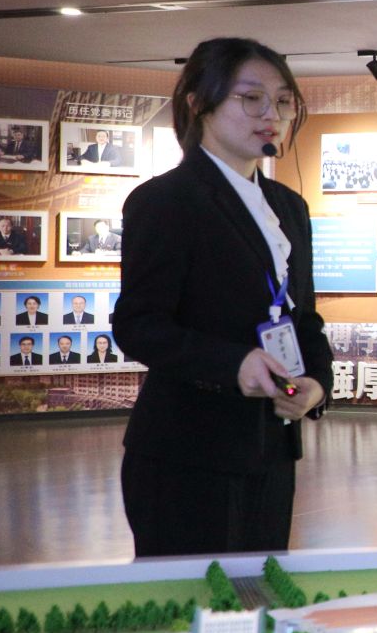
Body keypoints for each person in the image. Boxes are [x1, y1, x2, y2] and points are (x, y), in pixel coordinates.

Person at [113, 37, 332, 557]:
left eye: (282, 101)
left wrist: (317, 385)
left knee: (259, 593)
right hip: (187, 453)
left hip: (271, 448)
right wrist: (234, 364)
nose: (271, 114)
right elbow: (139, 325)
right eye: (251, 98)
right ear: (198, 103)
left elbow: (304, 319)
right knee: (193, 600)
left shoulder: (288, 206)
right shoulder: (166, 201)